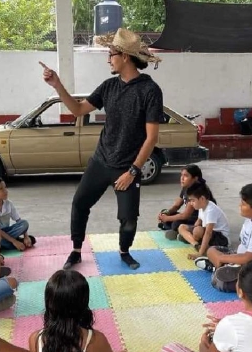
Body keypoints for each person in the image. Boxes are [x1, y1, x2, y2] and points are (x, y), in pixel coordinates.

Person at [40, 28, 163, 271]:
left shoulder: (150, 91)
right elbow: (77, 110)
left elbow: (151, 138)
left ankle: (124, 251)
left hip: (127, 166)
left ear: (125, 56)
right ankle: (76, 251)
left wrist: (133, 171)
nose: (108, 58)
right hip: (101, 160)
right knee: (80, 203)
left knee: (128, 218)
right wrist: (57, 85)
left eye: (111, 53)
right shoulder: (108, 86)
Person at [158, 164, 215, 241]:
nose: (182, 178)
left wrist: (167, 218)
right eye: (181, 175)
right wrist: (166, 213)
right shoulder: (186, 187)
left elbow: (185, 215)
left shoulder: (197, 191)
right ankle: (180, 232)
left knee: (176, 223)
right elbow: (177, 205)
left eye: (186, 176)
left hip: (199, 221)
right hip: (190, 218)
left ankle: (186, 234)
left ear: (195, 178)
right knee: (167, 214)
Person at [0, 176, 36, 252]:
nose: (5, 191)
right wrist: (14, 241)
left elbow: (19, 221)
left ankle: (0, 245)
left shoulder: (8, 204)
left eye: (5, 187)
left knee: (24, 223)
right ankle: (3, 244)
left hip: (6, 233)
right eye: (1, 189)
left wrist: (26, 236)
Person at [178, 182, 229, 259]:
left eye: (192, 200)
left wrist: (199, 254)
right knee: (182, 227)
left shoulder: (211, 210)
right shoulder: (202, 206)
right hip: (208, 234)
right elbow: (198, 221)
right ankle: (196, 244)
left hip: (221, 238)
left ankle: (200, 247)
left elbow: (208, 233)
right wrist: (191, 231)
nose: (191, 203)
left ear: (202, 199)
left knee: (197, 230)